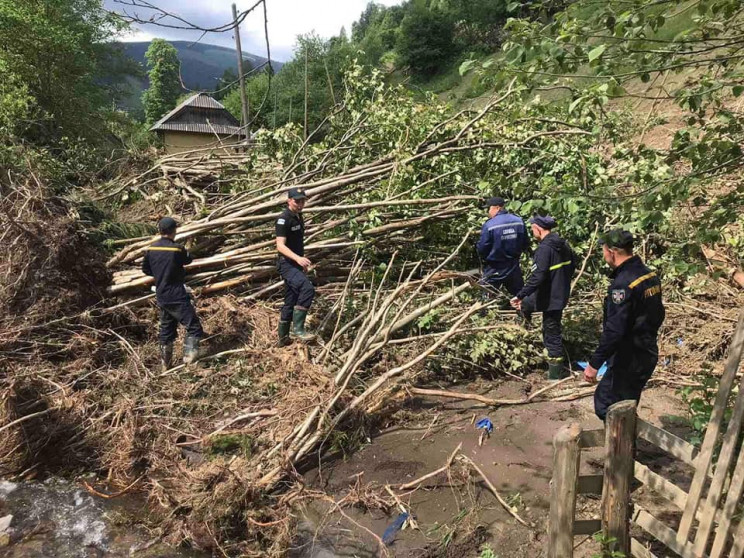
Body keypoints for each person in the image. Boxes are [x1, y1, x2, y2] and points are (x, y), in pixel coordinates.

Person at [583, 230, 665, 421]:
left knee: (606, 405)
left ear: (612, 252)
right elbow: (659, 314)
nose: (603, 255)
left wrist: (594, 364)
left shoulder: (623, 285)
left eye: (603, 250)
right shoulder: (648, 275)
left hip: (629, 358)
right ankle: (628, 446)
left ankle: (621, 449)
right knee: (626, 404)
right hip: (647, 351)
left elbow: (615, 330)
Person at [510, 215, 575, 380]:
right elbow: (573, 266)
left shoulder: (544, 249)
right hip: (559, 294)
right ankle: (526, 339)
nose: (532, 232)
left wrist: (520, 295)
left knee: (551, 331)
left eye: (532, 229)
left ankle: (554, 375)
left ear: (538, 228)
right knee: (527, 308)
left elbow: (537, 277)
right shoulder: (563, 245)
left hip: (549, 297)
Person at [142, 217, 204, 370]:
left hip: (162, 295)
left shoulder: (151, 249)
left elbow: (145, 269)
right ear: (174, 231)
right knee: (194, 327)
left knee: (166, 329)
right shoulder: (177, 249)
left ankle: (165, 365)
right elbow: (188, 260)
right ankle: (190, 362)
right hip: (176, 294)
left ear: (160, 231)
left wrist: (159, 274)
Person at [276, 187, 315, 346]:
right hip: (287, 264)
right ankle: (298, 329)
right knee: (307, 289)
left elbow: (298, 243)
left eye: (302, 201)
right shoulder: (283, 219)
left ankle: (283, 339)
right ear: (289, 201)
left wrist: (301, 263)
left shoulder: (299, 217)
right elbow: (280, 246)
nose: (300, 204)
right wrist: (298, 259)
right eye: (297, 201)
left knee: (290, 299)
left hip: (296, 265)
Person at [476, 196, 529, 299]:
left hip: (494, 267)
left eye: (489, 209)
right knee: (519, 295)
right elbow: (525, 243)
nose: (488, 212)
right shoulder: (518, 221)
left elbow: (482, 248)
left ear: (497, 208)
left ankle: (484, 313)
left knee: (486, 295)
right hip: (513, 265)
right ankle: (525, 313)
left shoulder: (489, 225)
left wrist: (485, 257)